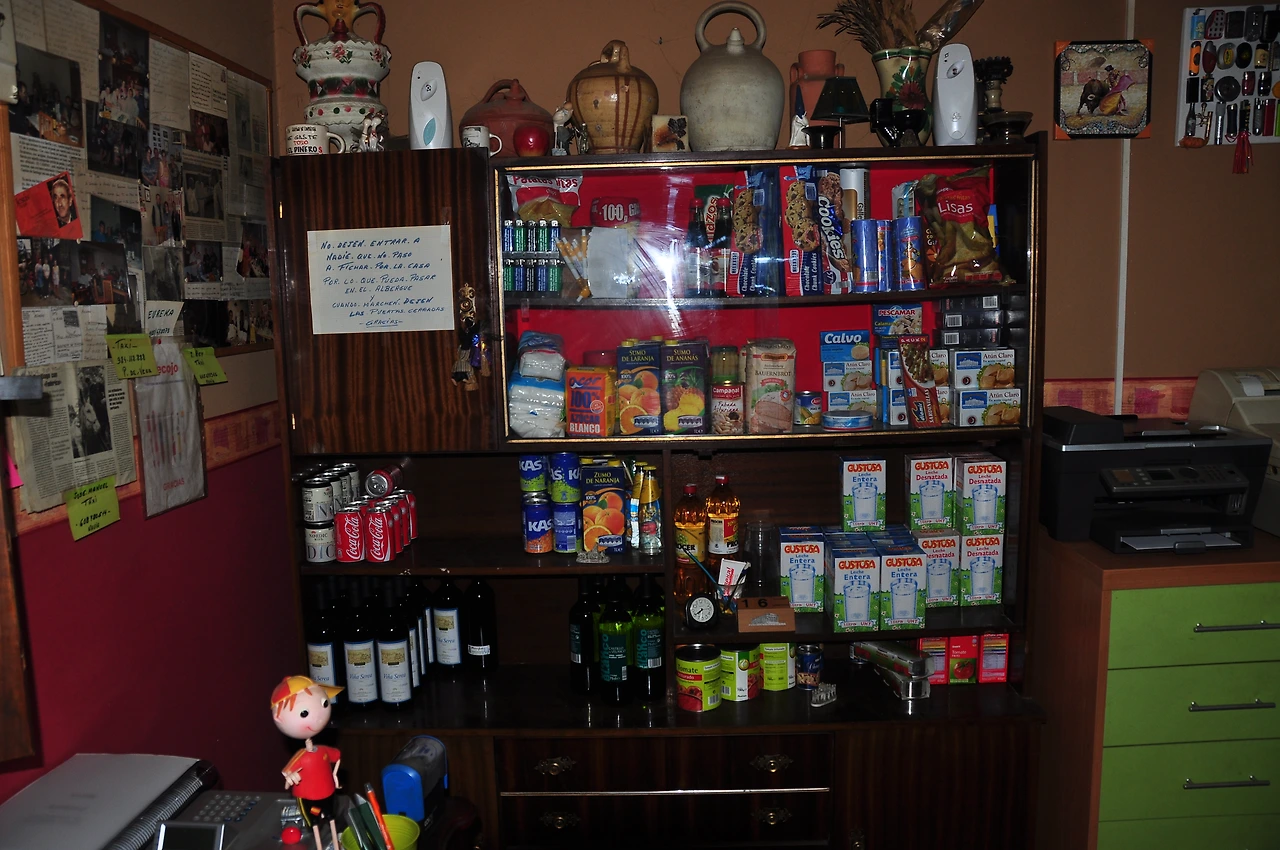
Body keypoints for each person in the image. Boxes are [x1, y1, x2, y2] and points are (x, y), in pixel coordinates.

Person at [271, 676, 343, 829]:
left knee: (331, 817)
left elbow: (337, 756)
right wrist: (290, 776)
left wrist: (334, 775)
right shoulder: (301, 757)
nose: (318, 718)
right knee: (314, 820)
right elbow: (287, 771)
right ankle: (317, 836)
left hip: (328, 792)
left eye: (324, 703)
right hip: (309, 798)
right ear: (279, 718)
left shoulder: (323, 750)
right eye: (304, 713)